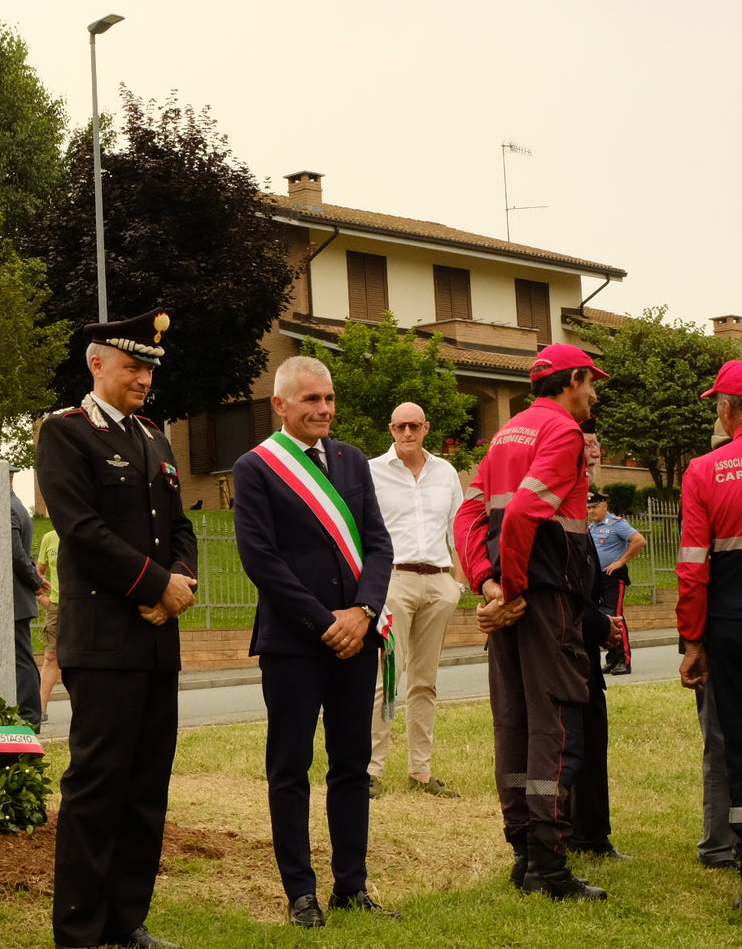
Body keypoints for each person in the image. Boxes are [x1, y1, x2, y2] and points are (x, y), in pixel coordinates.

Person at [36, 307, 197, 949]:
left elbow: (180, 527)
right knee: (97, 788)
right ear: (96, 363)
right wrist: (155, 584)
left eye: (150, 368)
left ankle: (125, 920)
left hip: (157, 639)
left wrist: (178, 584)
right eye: (133, 366)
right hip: (104, 642)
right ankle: (78, 931)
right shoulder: (66, 434)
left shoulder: (154, 436)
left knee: (146, 786)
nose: (144, 378)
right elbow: (81, 531)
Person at [232, 355, 396, 927]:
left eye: (328, 399)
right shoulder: (255, 468)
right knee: (291, 768)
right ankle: (301, 892)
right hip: (294, 643)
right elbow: (260, 559)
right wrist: (326, 621)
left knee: (351, 765)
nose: (324, 409)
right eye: (311, 400)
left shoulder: (352, 461)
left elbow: (379, 544)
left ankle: (352, 885)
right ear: (280, 405)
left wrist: (363, 611)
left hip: (357, 638)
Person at [454, 342, 607, 901]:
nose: (593, 394)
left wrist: (489, 586)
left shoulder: (504, 434)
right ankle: (549, 863)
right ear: (570, 380)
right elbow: (522, 511)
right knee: (555, 726)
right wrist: (513, 590)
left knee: (512, 724)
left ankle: (522, 853)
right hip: (545, 598)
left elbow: (469, 515)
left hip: (513, 599)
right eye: (591, 382)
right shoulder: (563, 433)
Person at [366, 402, 464, 800]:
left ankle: (421, 772)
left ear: (426, 428)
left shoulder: (446, 472)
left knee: (426, 681)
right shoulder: (372, 471)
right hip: (395, 582)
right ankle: (371, 770)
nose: (406, 433)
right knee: (387, 675)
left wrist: (457, 584)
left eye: (414, 426)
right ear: (391, 429)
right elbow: (362, 533)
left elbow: (460, 530)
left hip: (439, 583)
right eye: (399, 426)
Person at [677, 359, 742, 908]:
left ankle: (729, 843)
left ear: (726, 409)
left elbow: (694, 566)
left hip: (729, 623)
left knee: (729, 741)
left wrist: (692, 642)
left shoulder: (703, 471)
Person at [568, 426, 627, 860]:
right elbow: (562, 589)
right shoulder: (557, 510)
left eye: (595, 447)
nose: (594, 453)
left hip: (583, 645)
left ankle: (591, 834)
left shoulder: (583, 511)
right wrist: (600, 626)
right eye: (585, 447)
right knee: (567, 748)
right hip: (564, 649)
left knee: (591, 740)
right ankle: (559, 836)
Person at [587, 490, 645, 675]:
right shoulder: (590, 528)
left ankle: (624, 660)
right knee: (604, 618)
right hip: (597, 578)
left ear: (605, 506)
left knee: (616, 616)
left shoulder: (617, 524)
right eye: (588, 507)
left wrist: (620, 561)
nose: (591, 511)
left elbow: (639, 541)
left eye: (595, 506)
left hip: (613, 577)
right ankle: (612, 659)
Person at [9, 464, 47, 730]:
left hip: (15, 597)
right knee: (21, 656)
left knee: (21, 659)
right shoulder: (18, 505)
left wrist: (34, 581)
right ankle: (29, 713)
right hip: (18, 596)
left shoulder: (8, 508)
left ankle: (30, 715)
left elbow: (15, 553)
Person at [35, 526, 62, 722]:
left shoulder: (83, 532)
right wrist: (41, 597)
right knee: (51, 656)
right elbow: (39, 572)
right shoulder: (49, 538)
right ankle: (41, 709)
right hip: (56, 606)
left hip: (82, 605)